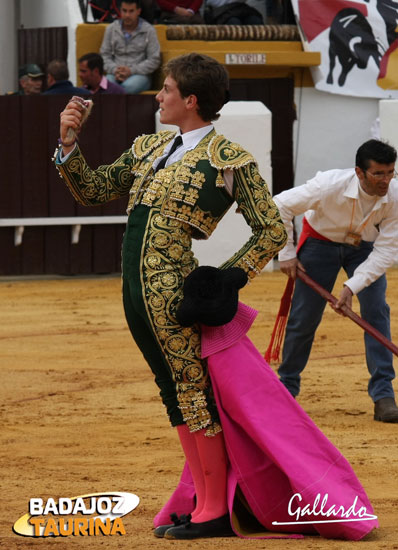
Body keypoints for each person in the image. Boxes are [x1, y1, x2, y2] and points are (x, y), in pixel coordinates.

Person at [54, 52, 287, 539]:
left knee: (192, 394)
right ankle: (203, 500)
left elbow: (270, 228)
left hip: (174, 291)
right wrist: (69, 142)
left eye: (167, 90)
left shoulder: (228, 159)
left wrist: (228, 278)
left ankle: (215, 512)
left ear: (191, 100)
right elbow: (94, 191)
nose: (159, 96)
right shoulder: (151, 147)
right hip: (135, 291)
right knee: (172, 391)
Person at [273, 139, 398, 423]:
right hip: (320, 244)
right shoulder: (328, 185)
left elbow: (387, 250)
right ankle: (286, 389)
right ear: (359, 172)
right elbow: (279, 205)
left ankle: (383, 396)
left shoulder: (395, 196)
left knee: (377, 310)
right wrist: (287, 253)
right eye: (378, 173)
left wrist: (351, 287)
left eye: (390, 172)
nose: (386, 180)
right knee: (304, 317)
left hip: (365, 249)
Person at [100, 0, 161, 94]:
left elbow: (154, 59)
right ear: (120, 11)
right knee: (106, 86)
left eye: (131, 11)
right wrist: (115, 69)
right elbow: (104, 55)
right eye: (124, 11)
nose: (127, 15)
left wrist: (131, 70)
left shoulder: (149, 30)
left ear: (138, 11)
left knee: (127, 88)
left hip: (139, 75)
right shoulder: (111, 29)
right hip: (114, 73)